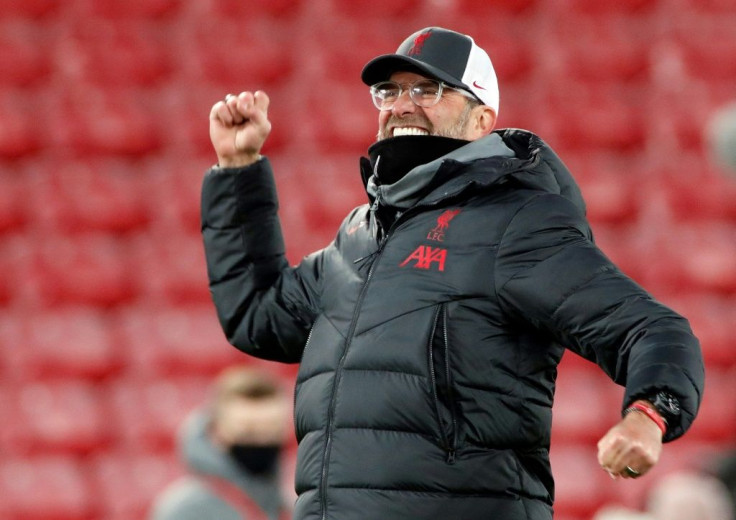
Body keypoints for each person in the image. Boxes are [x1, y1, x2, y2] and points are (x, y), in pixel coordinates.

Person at [200, 26, 705, 520]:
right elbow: (258, 315)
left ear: (482, 119)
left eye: (428, 89)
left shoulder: (516, 222)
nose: (401, 105)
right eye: (389, 91)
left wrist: (649, 415)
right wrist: (238, 170)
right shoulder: (358, 234)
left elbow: (652, 330)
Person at [149, 366, 292, 520]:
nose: (262, 439)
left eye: (272, 428)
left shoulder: (284, 504)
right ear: (217, 432)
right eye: (248, 430)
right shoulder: (185, 511)